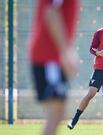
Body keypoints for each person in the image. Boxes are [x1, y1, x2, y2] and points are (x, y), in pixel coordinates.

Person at [28, 0, 79, 135]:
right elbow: (50, 12)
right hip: (48, 57)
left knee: (59, 111)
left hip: (53, 58)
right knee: (56, 110)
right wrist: (66, 51)